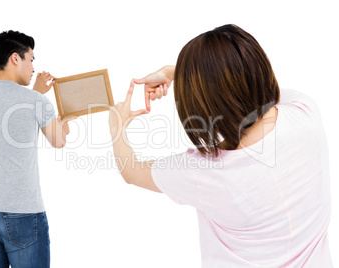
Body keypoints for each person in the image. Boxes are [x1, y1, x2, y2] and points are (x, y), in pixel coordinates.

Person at [109, 24, 332, 267]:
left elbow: (131, 172)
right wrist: (186, 76)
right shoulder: (305, 112)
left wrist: (117, 127)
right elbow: (258, 92)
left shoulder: (205, 172)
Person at [0, 30, 74, 268]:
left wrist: (35, 94)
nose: (33, 67)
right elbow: (59, 141)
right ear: (16, 58)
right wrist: (61, 125)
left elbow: (5, 121)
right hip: (23, 213)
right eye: (31, 59)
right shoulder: (36, 102)